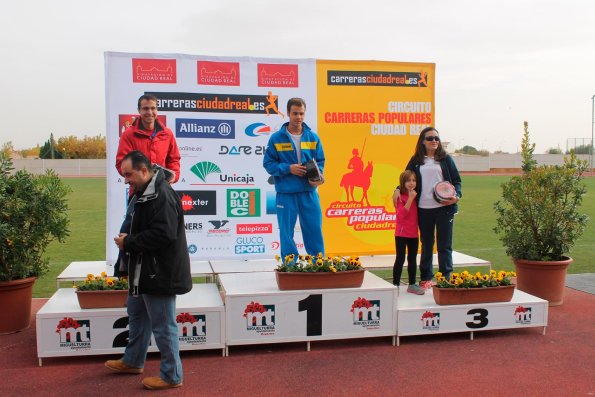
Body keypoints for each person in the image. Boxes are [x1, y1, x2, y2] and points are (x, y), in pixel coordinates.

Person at [105, 151, 192, 391]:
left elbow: (164, 234)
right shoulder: (143, 191)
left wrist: (129, 242)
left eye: (128, 174)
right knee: (137, 317)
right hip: (142, 271)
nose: (125, 180)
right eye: (123, 175)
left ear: (144, 171)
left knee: (163, 326)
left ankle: (172, 375)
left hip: (158, 273)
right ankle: (133, 361)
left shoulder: (161, 194)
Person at [114, 94, 181, 277]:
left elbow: (174, 159)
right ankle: (124, 270)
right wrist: (137, 177)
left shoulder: (166, 133)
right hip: (138, 192)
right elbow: (121, 163)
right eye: (145, 108)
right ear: (139, 111)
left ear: (157, 110)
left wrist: (172, 176)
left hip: (161, 191)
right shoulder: (129, 134)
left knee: (160, 232)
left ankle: (158, 270)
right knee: (129, 230)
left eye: (153, 108)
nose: (149, 112)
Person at [263, 97, 325, 259]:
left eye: (302, 114)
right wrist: (288, 169)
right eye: (295, 113)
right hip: (286, 193)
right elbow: (268, 164)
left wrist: (318, 176)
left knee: (314, 229)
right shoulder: (276, 138)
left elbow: (320, 161)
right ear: (288, 114)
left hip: (309, 192)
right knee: (286, 232)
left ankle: (318, 264)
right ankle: (289, 266)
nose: (299, 117)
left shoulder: (313, 137)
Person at [405, 127, 461, 290]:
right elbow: (406, 178)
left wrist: (456, 197)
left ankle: (445, 278)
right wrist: (397, 189)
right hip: (423, 208)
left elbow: (457, 180)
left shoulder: (446, 159)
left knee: (445, 245)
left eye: (436, 138)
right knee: (427, 244)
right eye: (430, 138)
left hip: (444, 208)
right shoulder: (416, 160)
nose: (434, 141)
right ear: (423, 141)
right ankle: (426, 278)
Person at [392, 170, 424, 295]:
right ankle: (396, 285)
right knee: (400, 258)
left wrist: (412, 197)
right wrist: (410, 199)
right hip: (401, 234)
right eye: (408, 181)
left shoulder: (416, 194)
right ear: (403, 183)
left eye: (413, 180)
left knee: (412, 259)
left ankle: (411, 284)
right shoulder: (400, 196)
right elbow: (400, 216)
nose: (411, 183)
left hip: (413, 233)